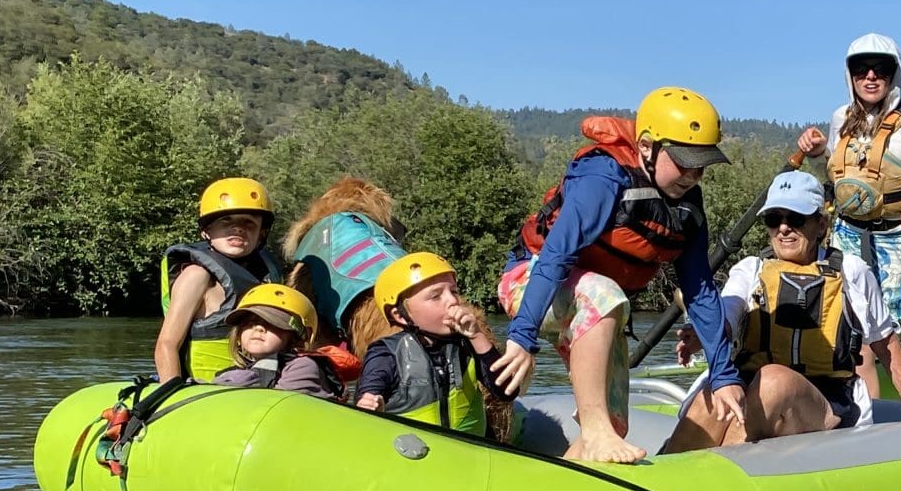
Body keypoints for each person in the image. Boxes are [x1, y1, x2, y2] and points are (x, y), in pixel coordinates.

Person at [490, 87, 747, 465]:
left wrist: (724, 374)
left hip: (598, 307)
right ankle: (594, 431)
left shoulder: (688, 204)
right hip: (529, 283)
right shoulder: (603, 176)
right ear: (646, 146)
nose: (694, 174)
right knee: (604, 296)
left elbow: (700, 290)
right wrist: (522, 338)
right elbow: (557, 255)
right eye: (684, 161)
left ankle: (568, 484)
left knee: (615, 424)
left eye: (702, 163)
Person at [667, 171, 901, 449]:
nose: (784, 228)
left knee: (773, 380)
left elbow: (885, 343)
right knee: (714, 394)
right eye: (774, 219)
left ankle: (716, 481)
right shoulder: (751, 269)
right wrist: (707, 332)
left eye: (796, 218)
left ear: (821, 224)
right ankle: (669, 476)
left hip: (827, 402)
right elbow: (729, 311)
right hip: (755, 391)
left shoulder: (852, 272)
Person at [794, 34, 901, 419]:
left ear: (895, 74)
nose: (870, 76)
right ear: (850, 75)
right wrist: (817, 153)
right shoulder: (840, 118)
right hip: (848, 238)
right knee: (858, 344)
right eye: (861, 69)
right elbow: (839, 177)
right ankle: (871, 431)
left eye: (881, 69)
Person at [356, 251, 503, 438]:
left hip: (470, 453)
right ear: (400, 316)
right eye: (436, 296)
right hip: (412, 456)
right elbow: (368, 394)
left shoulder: (467, 342)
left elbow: (505, 392)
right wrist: (370, 401)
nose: (452, 301)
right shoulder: (387, 353)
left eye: (454, 291)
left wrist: (477, 336)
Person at [154, 178, 280, 384]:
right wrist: (171, 394)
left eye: (248, 222)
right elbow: (166, 344)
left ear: (261, 233)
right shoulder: (196, 276)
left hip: (256, 388)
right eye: (226, 221)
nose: (238, 228)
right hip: (207, 390)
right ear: (206, 231)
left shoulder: (268, 279)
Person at [212, 284, 340, 398]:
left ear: (296, 337)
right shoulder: (234, 373)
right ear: (238, 335)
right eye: (249, 323)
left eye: (271, 323)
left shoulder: (303, 367)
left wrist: (236, 394)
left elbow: (278, 410)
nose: (258, 328)